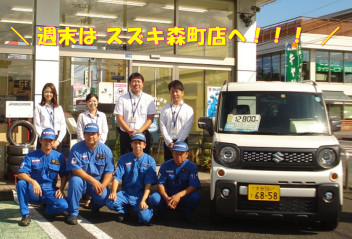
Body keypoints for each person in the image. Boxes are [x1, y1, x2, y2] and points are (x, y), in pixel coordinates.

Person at [16, 128, 68, 226]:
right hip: (35, 191)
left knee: (63, 205)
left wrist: (61, 189)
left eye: (50, 140)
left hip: (50, 190)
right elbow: (21, 174)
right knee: (21, 183)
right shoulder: (31, 156)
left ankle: (48, 209)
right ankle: (25, 214)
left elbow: (64, 175)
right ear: (40, 140)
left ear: (53, 141)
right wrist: (33, 182)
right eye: (45, 139)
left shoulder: (59, 157)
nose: (48, 142)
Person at [66, 123, 114, 225]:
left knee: (104, 195)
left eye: (93, 134)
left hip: (97, 182)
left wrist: (103, 186)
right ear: (84, 135)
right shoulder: (76, 148)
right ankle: (73, 213)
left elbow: (109, 172)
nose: (90, 136)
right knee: (75, 181)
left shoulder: (106, 150)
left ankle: (94, 207)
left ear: (98, 135)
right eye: (88, 134)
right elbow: (75, 169)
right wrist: (93, 180)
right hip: (82, 180)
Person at [106, 133, 157, 224]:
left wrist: (143, 200)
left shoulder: (150, 160)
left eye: (140, 143)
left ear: (144, 145)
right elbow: (117, 177)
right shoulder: (123, 158)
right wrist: (113, 192)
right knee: (110, 202)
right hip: (126, 193)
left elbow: (148, 184)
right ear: (131, 144)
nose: (137, 145)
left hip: (140, 195)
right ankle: (124, 211)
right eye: (135, 142)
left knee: (145, 219)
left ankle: (144, 209)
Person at [149, 141, 201, 224]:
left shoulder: (191, 166)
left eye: (181, 154)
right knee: (153, 198)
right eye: (176, 153)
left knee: (196, 196)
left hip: (183, 196)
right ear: (172, 153)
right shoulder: (165, 165)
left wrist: (178, 196)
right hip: (167, 196)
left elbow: (194, 186)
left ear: (187, 154)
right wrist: (166, 198)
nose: (179, 157)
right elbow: (160, 184)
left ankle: (187, 213)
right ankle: (162, 211)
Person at [76, 92, 109, 209]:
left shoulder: (102, 116)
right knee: (86, 169)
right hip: (84, 147)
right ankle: (86, 197)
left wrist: (98, 145)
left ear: (97, 102)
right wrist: (86, 143)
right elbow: (80, 132)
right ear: (87, 103)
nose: (92, 103)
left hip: (99, 148)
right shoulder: (82, 116)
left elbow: (104, 131)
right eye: (90, 101)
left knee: (96, 170)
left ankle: (94, 198)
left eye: (95, 101)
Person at [114, 72, 157, 155]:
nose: (136, 84)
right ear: (129, 84)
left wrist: (139, 131)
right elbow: (119, 118)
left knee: (143, 160)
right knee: (126, 160)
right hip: (126, 135)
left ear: (142, 84)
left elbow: (150, 118)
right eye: (133, 81)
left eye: (138, 81)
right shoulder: (122, 98)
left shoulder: (148, 99)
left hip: (143, 134)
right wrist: (130, 131)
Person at [160, 80, 194, 161]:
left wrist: (178, 143)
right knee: (168, 166)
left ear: (182, 93)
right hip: (168, 143)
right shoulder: (165, 109)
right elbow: (162, 126)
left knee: (182, 166)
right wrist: (169, 142)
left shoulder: (188, 109)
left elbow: (187, 128)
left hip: (182, 143)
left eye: (176, 91)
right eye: (172, 92)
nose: (174, 94)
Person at [34, 83, 66, 151]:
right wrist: (43, 138)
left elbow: (63, 126)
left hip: (56, 139)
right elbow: (37, 125)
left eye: (51, 92)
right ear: (43, 93)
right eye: (46, 92)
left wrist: (58, 141)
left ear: (54, 93)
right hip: (43, 138)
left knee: (55, 161)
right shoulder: (39, 107)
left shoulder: (59, 108)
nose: (48, 94)